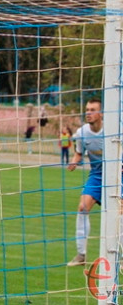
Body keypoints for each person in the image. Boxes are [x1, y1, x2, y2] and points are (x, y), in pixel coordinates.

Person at [66, 98, 104, 267]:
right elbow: (79, 153)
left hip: (118, 176)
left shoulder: (116, 129)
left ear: (101, 113)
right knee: (82, 208)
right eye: (87, 109)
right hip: (97, 175)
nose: (88, 112)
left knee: (118, 214)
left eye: (92, 109)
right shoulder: (82, 133)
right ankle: (81, 255)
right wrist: (74, 161)